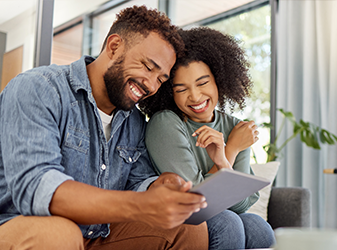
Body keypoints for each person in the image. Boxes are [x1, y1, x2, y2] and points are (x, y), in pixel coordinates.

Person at [0, 6, 209, 250]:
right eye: (148, 67)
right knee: (59, 234)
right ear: (114, 46)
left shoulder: (134, 121)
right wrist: (140, 204)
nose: (151, 85)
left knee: (189, 225)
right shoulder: (38, 89)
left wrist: (159, 186)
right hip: (20, 226)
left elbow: (137, 181)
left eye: (161, 79)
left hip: (98, 233)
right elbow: (37, 187)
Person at [139, 27, 276, 249]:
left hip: (217, 216)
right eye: (181, 89)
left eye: (202, 83)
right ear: (170, 93)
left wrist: (223, 159)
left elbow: (240, 205)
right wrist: (230, 149)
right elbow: (195, 202)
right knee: (227, 222)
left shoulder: (234, 126)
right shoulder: (165, 123)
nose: (195, 96)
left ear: (219, 80)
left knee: (257, 226)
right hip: (175, 219)